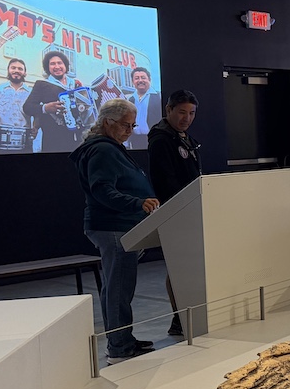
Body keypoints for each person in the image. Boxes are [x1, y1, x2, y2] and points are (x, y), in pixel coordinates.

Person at [70, 98, 160, 363]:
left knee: (114, 288)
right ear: (107, 121)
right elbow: (103, 190)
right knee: (119, 288)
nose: (129, 130)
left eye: (133, 126)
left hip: (118, 225)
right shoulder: (102, 150)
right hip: (113, 226)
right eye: (124, 125)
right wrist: (138, 202)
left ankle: (122, 339)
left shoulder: (110, 147)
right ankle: (119, 347)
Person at [147, 90, 201, 336]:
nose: (186, 118)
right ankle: (178, 318)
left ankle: (186, 315)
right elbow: (165, 181)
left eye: (191, 113)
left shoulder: (184, 137)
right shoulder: (161, 139)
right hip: (176, 211)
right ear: (168, 110)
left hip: (192, 208)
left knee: (187, 265)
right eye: (181, 112)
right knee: (178, 267)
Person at [24, 51, 84, 153]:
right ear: (48, 68)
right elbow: (27, 107)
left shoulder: (76, 84)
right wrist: (45, 108)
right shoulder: (42, 84)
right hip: (53, 141)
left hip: (78, 139)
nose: (57, 66)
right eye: (52, 64)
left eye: (59, 63)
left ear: (65, 65)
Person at [126, 66, 162, 150]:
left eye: (143, 77)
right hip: (136, 140)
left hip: (154, 138)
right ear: (133, 81)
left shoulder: (159, 96)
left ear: (149, 80)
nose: (140, 80)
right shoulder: (130, 99)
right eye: (137, 78)